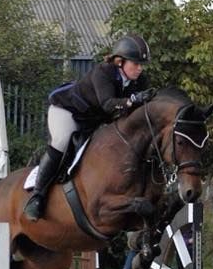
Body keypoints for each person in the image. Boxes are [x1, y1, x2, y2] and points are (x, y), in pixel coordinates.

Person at [23, 34, 157, 222]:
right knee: (61, 142)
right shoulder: (103, 72)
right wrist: (133, 100)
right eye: (135, 63)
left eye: (141, 64)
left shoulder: (139, 80)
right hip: (68, 111)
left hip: (94, 120)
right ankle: (37, 197)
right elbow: (108, 104)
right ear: (120, 62)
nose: (140, 68)